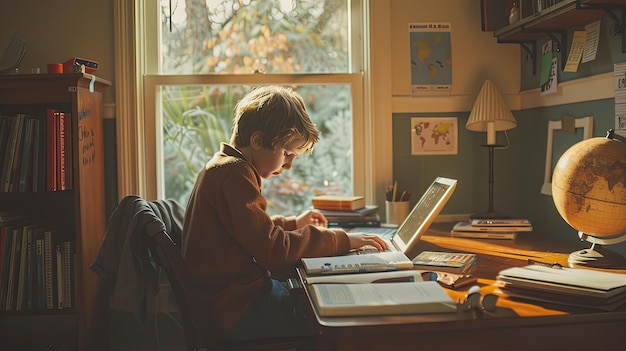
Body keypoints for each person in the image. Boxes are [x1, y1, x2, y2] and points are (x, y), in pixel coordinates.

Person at [181, 85, 388, 341]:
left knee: (310, 295)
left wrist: (292, 223)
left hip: (229, 302)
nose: (289, 165)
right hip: (237, 309)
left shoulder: (224, 166)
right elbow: (274, 251)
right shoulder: (235, 174)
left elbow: (250, 232)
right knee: (328, 321)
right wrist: (341, 239)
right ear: (257, 141)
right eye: (287, 154)